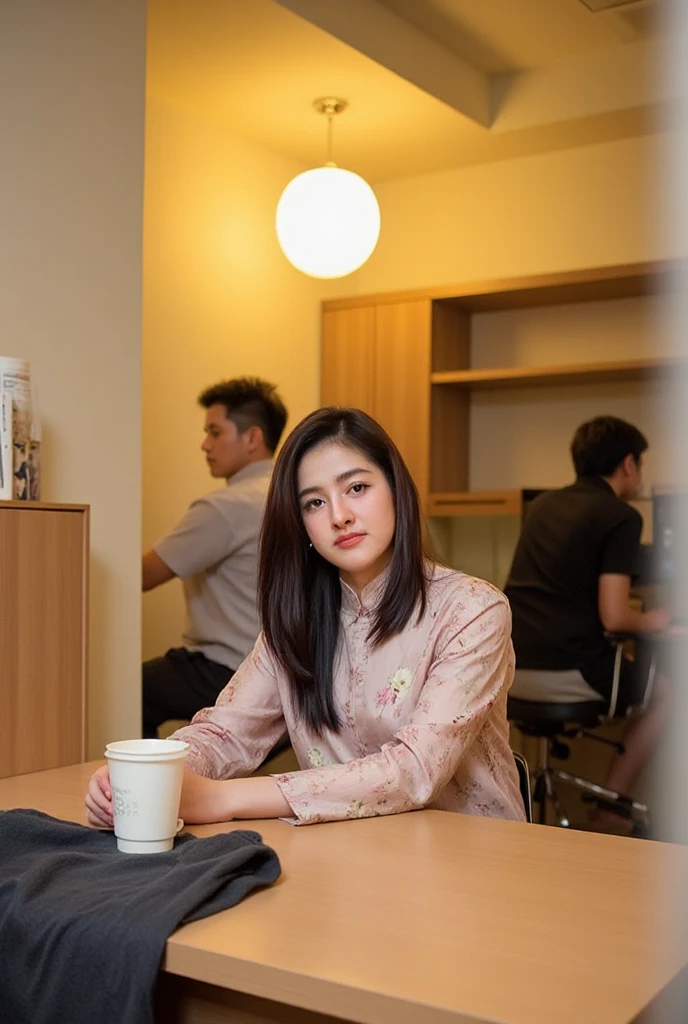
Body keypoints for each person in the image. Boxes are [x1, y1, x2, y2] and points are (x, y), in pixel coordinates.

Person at [87, 408, 525, 828]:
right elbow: (227, 734)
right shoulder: (295, 621)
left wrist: (224, 798)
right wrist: (148, 776)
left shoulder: (472, 609)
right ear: (301, 526)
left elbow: (413, 770)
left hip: (473, 859)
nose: (339, 516)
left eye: (356, 488)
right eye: (315, 503)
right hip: (350, 860)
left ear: (396, 489)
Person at [504, 416, 670, 822]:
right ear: (629, 464)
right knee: (669, 693)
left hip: (512, 668)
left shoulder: (542, 505)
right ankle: (610, 806)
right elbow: (614, 616)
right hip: (570, 670)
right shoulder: (621, 516)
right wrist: (658, 621)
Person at [141, 376, 288, 739]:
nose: (205, 444)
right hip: (287, 670)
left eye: (215, 432)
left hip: (227, 669)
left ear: (252, 438)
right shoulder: (293, 495)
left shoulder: (225, 507)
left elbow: (143, 575)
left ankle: (143, 792)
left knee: (130, 689)